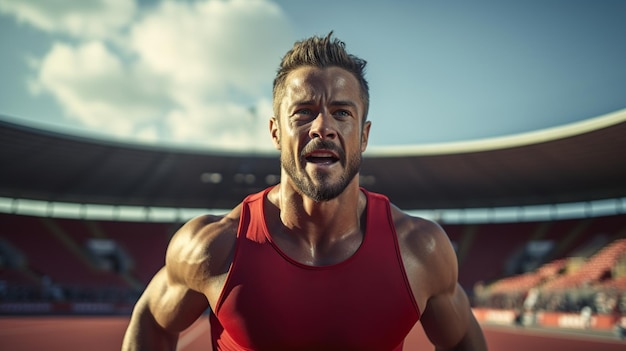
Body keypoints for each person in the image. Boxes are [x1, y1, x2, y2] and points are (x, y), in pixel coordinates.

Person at [122, 32, 487, 351]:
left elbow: (459, 341)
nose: (323, 127)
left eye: (342, 113)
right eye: (303, 112)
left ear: (364, 135)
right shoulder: (213, 247)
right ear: (276, 131)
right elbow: (152, 321)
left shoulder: (420, 250)